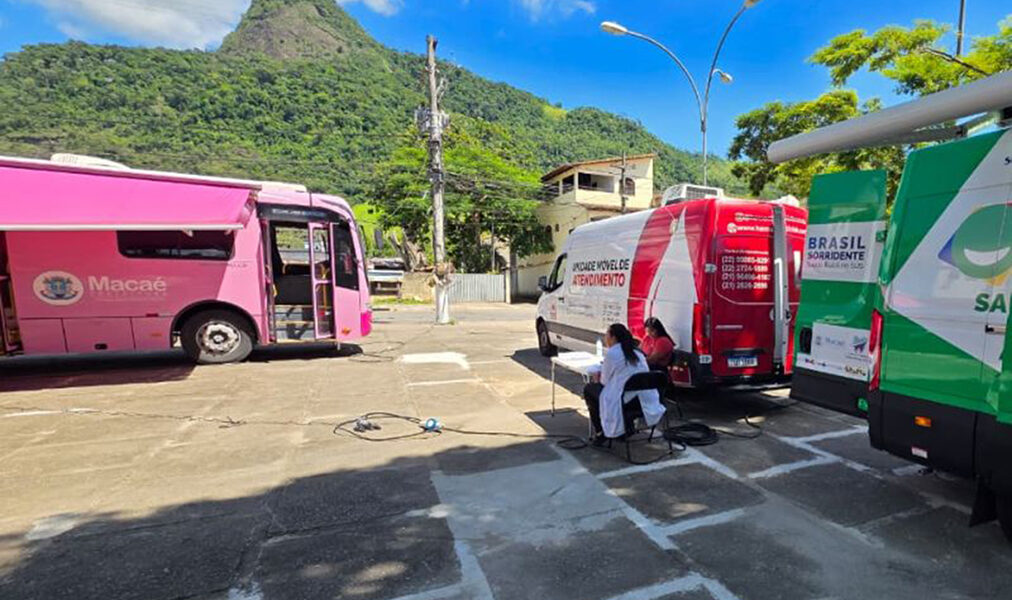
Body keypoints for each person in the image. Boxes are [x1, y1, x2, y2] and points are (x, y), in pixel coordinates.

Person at [583, 323, 667, 444]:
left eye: (607, 335)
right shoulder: (637, 352)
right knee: (618, 391)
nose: (605, 338)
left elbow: (604, 382)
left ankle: (601, 432)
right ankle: (626, 427)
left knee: (590, 390)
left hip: (627, 401)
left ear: (613, 338)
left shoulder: (613, 353)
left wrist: (597, 378)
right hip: (647, 400)